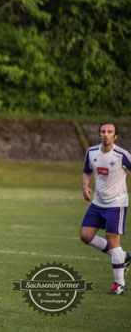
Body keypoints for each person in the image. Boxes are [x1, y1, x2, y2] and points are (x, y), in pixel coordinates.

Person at [79, 122, 131, 295]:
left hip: (116, 204)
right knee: (85, 236)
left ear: (115, 136)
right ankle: (123, 256)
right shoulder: (91, 152)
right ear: (99, 134)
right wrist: (86, 187)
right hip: (97, 203)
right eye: (103, 131)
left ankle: (120, 285)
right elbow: (86, 171)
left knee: (112, 239)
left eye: (110, 132)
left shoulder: (122, 155)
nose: (106, 134)